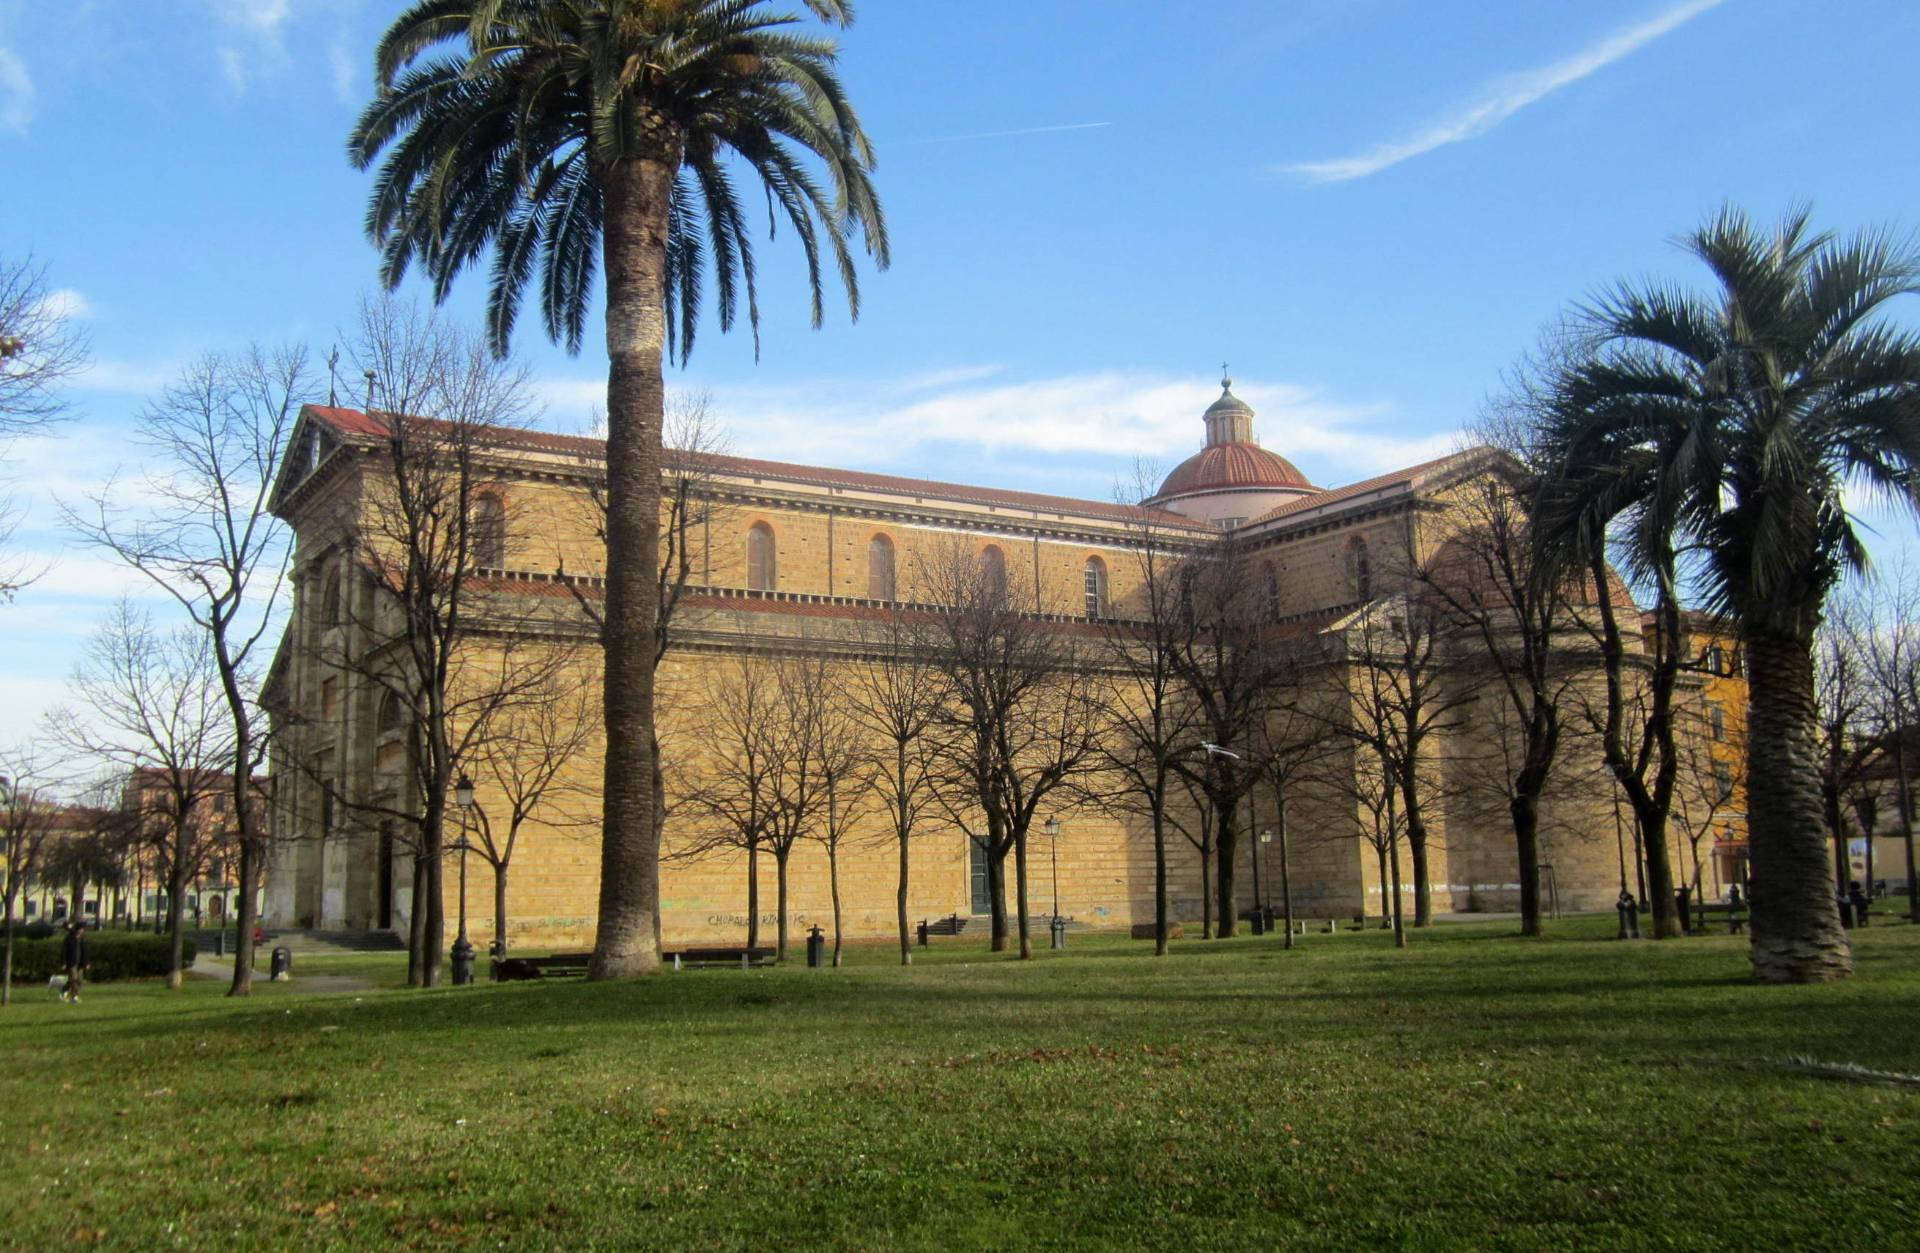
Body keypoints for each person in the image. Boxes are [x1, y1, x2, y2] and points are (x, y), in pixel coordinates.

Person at [60, 919, 87, 1003]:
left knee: (78, 980)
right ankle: (74, 997)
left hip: (80, 963)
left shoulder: (82, 939)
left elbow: (85, 951)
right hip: (71, 963)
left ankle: (63, 992)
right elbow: (64, 951)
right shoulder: (69, 938)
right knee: (74, 979)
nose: (82, 930)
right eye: (81, 929)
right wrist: (63, 962)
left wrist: (86, 962)